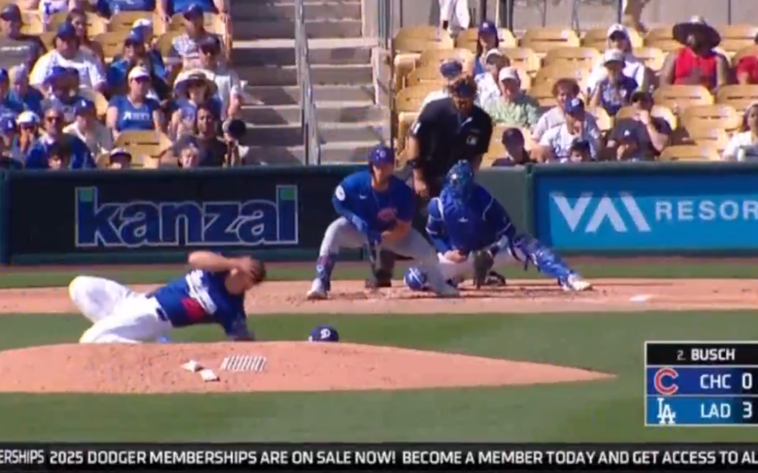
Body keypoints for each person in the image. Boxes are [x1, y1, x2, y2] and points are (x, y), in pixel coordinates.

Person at [403, 160, 592, 292]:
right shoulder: (440, 204)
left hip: (490, 252)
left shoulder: (484, 200)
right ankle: (458, 277)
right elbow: (433, 232)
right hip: (459, 256)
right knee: (414, 278)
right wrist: (446, 252)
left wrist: (490, 252)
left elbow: (508, 232)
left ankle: (568, 277)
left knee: (526, 243)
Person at [378, 75, 493, 288]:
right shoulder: (435, 110)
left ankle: (461, 271)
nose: (462, 101)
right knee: (394, 216)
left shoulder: (482, 121)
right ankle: (383, 273)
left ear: (474, 96)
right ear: (452, 94)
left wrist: (470, 180)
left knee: (463, 221)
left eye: (466, 97)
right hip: (424, 169)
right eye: (458, 96)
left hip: (454, 178)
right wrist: (418, 176)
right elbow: (414, 138)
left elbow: (477, 155)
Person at [305, 145, 458, 300]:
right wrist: (353, 218)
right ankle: (320, 282)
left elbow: (403, 228)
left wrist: (380, 237)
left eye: (386, 166)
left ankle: (440, 286)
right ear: (372, 166)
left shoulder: (402, 192)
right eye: (378, 165)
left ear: (392, 168)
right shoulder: (356, 183)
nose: (381, 170)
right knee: (333, 232)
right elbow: (338, 201)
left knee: (428, 253)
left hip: (392, 234)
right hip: (361, 231)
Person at [68, 252, 265, 343]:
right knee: (80, 286)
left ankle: (150, 349)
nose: (237, 269)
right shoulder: (217, 269)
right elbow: (194, 258)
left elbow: (242, 337)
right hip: (136, 300)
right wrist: (234, 262)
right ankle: (129, 334)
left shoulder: (232, 309)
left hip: (153, 319)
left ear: (250, 283)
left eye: (245, 270)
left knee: (90, 340)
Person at [29, 22, 107, 94]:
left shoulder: (89, 60)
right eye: (63, 40)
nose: (66, 43)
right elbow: (36, 84)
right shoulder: (46, 60)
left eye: (70, 39)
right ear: (56, 41)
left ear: (76, 40)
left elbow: (99, 83)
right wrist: (46, 96)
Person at [659, 16, 729, 90]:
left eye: (695, 33)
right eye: (689, 33)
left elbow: (722, 86)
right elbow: (664, 82)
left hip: (705, 99)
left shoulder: (718, 60)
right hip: (677, 98)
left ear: (704, 35)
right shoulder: (675, 56)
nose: (690, 37)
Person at [25, 106, 94, 169]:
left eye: (58, 119)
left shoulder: (76, 144)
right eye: (50, 119)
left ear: (63, 123)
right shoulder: (37, 148)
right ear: (44, 124)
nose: (54, 122)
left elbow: (88, 168)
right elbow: (30, 174)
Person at [107, 30, 169, 99]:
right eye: (128, 44)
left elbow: (162, 83)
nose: (132, 47)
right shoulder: (115, 68)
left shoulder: (150, 62)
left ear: (142, 47)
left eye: (135, 44)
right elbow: (110, 92)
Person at [586, 24, 647, 93]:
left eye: (621, 38)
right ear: (608, 42)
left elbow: (639, 89)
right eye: (613, 38)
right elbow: (592, 86)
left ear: (627, 41)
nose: (617, 42)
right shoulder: (600, 62)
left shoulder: (637, 64)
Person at [166, 3, 225, 74]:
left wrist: (211, 62)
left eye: (196, 17)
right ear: (184, 21)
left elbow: (223, 63)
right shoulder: (177, 43)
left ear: (202, 20)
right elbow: (170, 67)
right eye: (188, 18)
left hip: (210, 76)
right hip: (185, 79)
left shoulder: (213, 40)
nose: (193, 21)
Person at [535, 98, 599, 162]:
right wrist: (544, 152)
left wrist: (581, 138)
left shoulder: (591, 138)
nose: (576, 117)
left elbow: (592, 161)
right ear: (566, 115)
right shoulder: (552, 135)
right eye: (572, 115)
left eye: (579, 114)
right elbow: (539, 155)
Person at [106, 67, 163, 136]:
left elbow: (158, 130)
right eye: (138, 80)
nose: (142, 84)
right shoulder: (117, 102)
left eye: (145, 80)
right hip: (123, 142)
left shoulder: (153, 104)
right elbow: (111, 129)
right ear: (130, 83)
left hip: (147, 143)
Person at [196, 35, 241, 119]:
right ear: (198, 52)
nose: (209, 55)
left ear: (219, 52)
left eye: (213, 51)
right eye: (205, 51)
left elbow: (235, 98)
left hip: (222, 122)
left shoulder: (230, 75)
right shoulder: (192, 74)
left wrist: (234, 106)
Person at [169, 69, 221, 138]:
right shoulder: (180, 109)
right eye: (190, 85)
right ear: (187, 89)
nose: (195, 88)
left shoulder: (214, 105)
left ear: (206, 88)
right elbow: (172, 136)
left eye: (198, 84)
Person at [588, 49, 638, 116]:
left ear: (622, 66)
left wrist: (617, 90)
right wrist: (599, 90)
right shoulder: (601, 83)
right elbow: (592, 108)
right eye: (610, 67)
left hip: (624, 117)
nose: (612, 70)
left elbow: (632, 109)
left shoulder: (631, 83)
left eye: (616, 66)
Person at [0, 4, 46, 71]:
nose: (10, 23)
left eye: (13, 19)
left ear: (19, 22)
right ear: (1, 23)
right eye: (6, 20)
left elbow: (44, 63)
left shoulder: (34, 42)